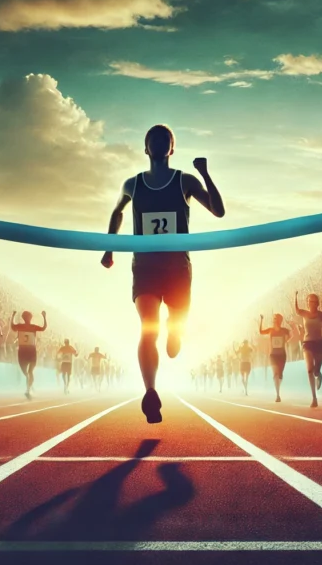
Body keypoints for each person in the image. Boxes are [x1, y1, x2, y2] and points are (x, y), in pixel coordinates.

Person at [100, 124, 225, 424]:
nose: (158, 142)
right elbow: (117, 211)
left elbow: (218, 211)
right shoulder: (133, 184)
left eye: (165, 139)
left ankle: (177, 331)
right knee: (147, 327)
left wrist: (206, 174)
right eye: (152, 139)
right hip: (145, 267)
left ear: (171, 149)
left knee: (174, 327)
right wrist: (109, 247)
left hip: (178, 269)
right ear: (145, 149)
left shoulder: (185, 181)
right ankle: (150, 392)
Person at [294, 292, 322, 408]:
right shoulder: (304, 313)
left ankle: (319, 375)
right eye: (309, 301)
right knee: (309, 370)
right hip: (307, 343)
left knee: (316, 371)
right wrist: (295, 297)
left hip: (319, 344)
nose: (311, 303)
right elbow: (296, 309)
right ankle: (314, 398)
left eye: (313, 301)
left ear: (317, 303)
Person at [11, 309, 48, 400]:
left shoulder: (31, 327)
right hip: (25, 350)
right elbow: (12, 327)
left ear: (30, 318)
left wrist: (44, 317)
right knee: (27, 373)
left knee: (29, 372)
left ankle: (28, 389)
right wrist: (44, 316)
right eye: (26, 317)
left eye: (28, 317)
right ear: (24, 318)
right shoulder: (24, 326)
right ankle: (29, 387)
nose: (28, 318)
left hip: (29, 350)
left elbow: (43, 328)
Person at [259, 313, 290, 403]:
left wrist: (286, 341)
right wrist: (261, 320)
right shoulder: (270, 330)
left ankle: (278, 389)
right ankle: (278, 395)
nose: (274, 320)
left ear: (280, 321)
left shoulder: (284, 330)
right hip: (273, 355)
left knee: (280, 375)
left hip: (282, 355)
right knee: (275, 374)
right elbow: (261, 332)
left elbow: (291, 336)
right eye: (274, 319)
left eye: (276, 319)